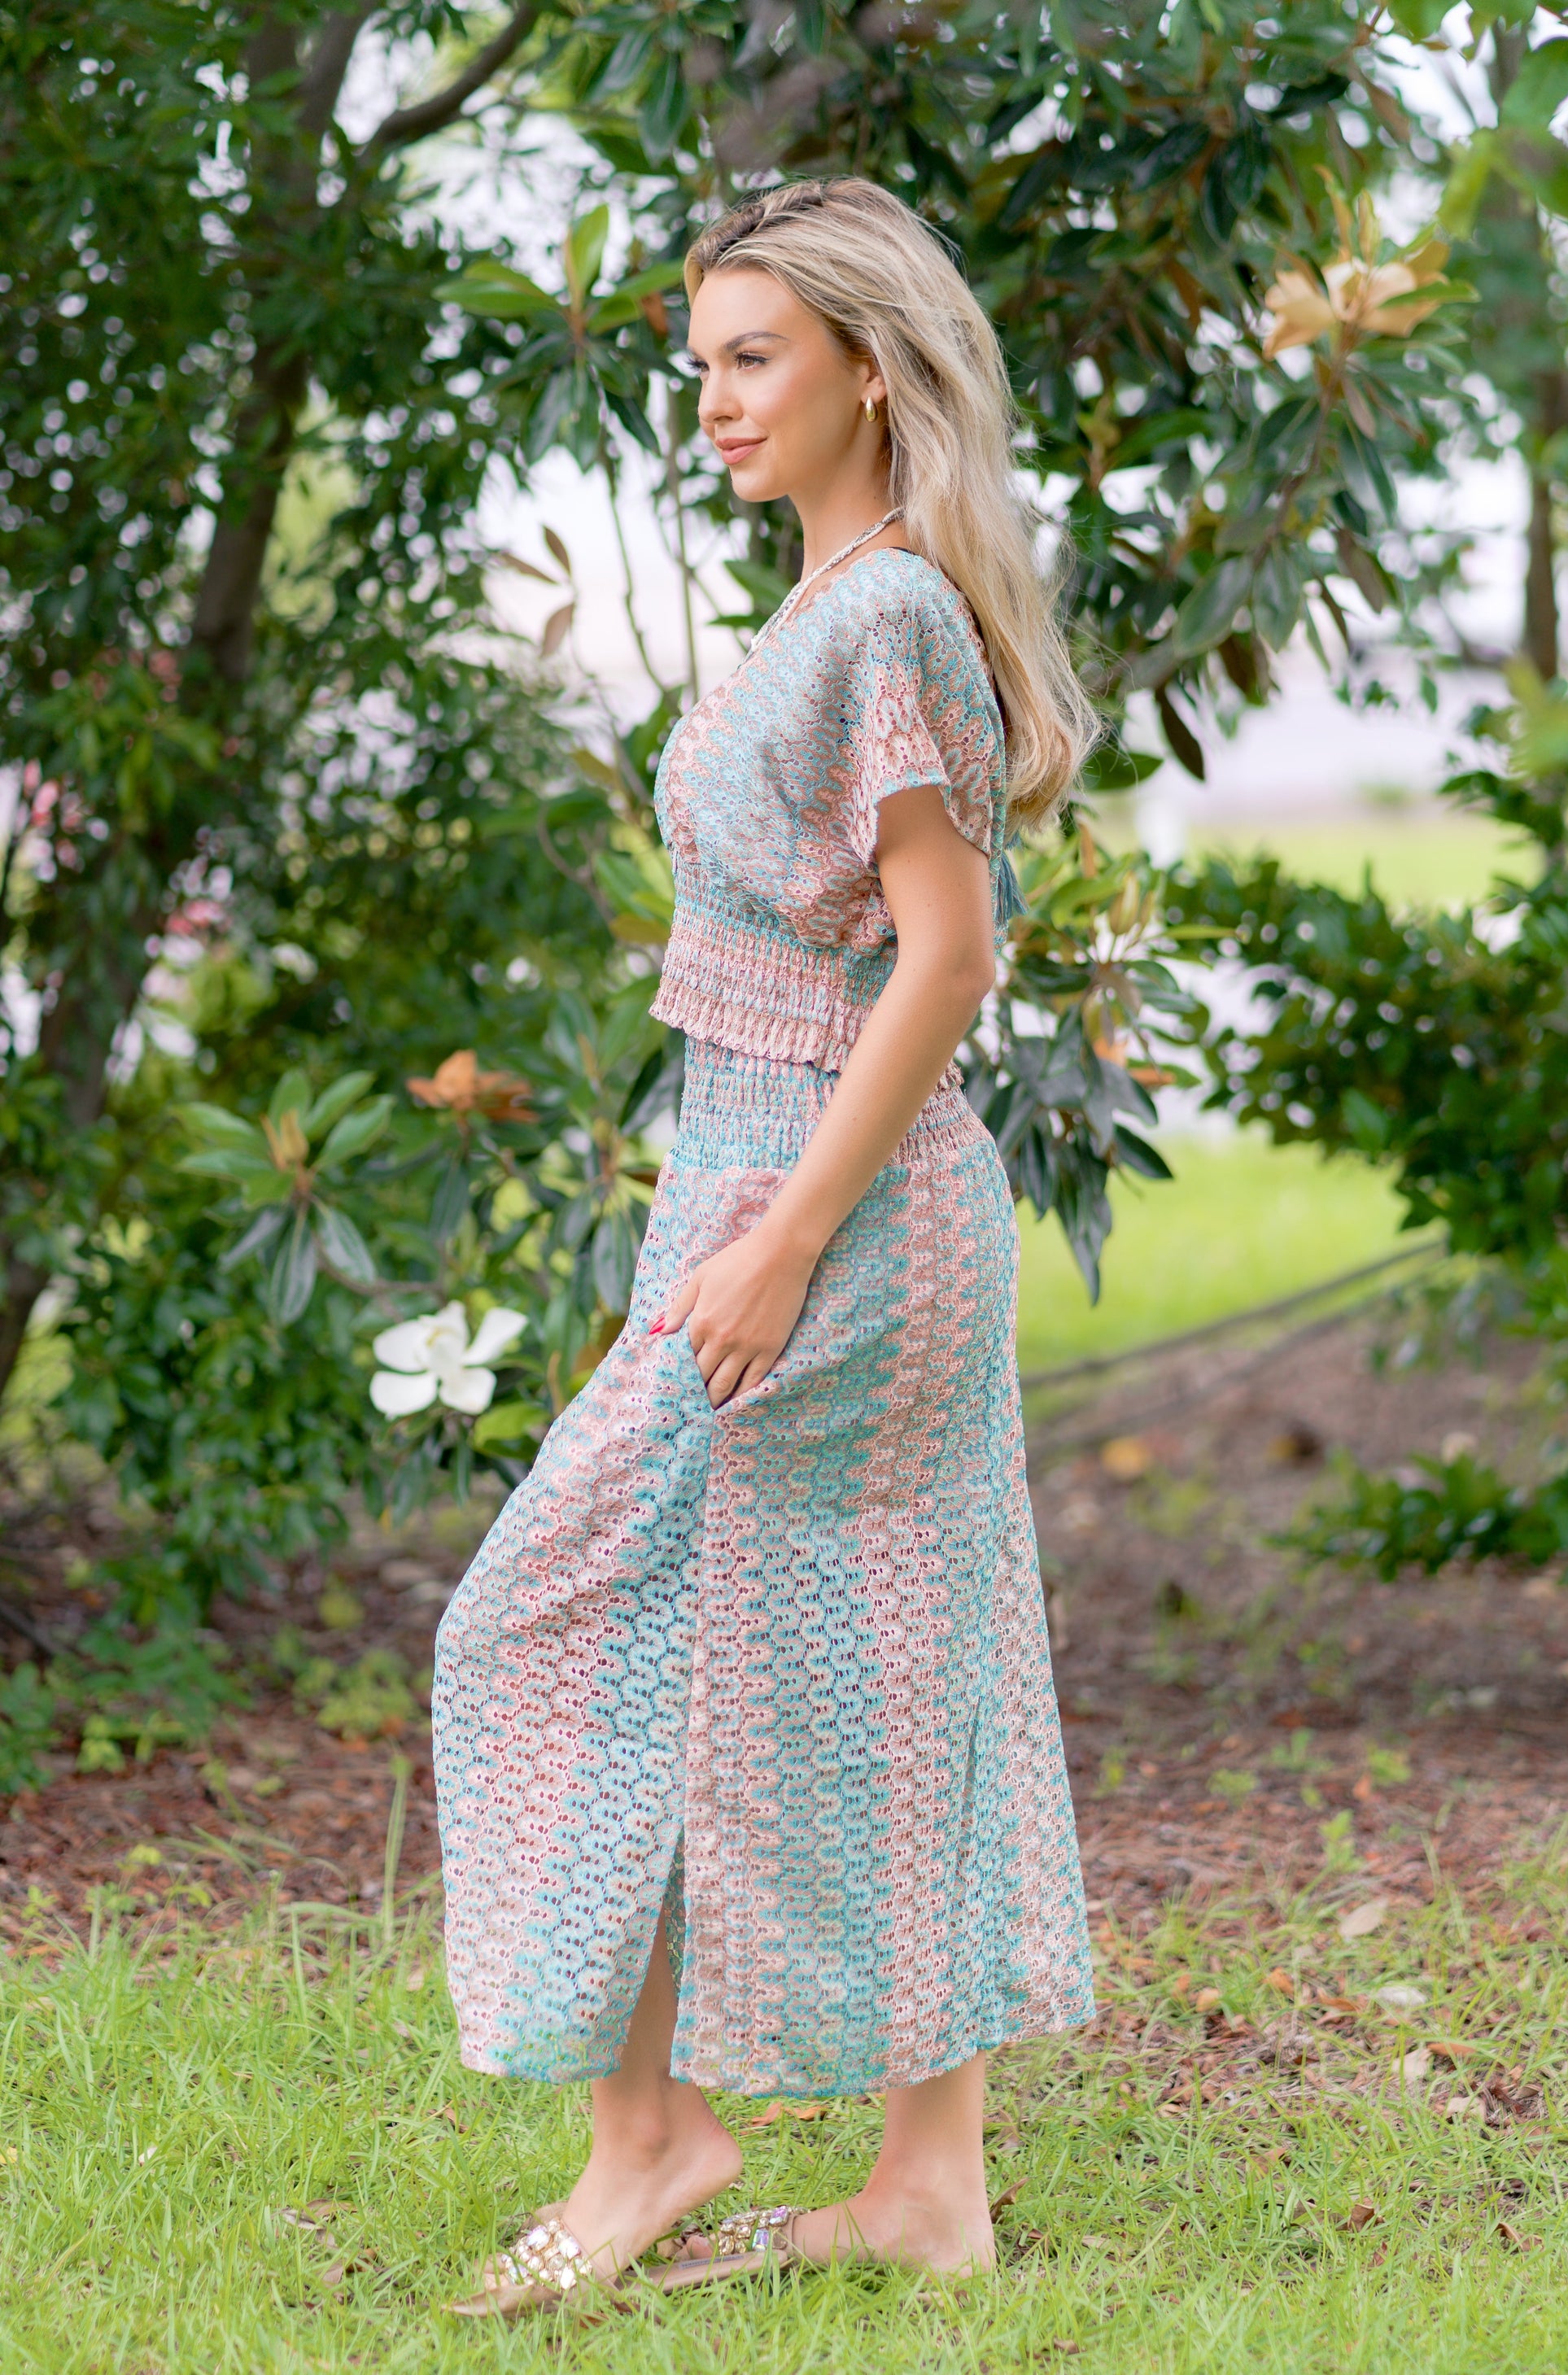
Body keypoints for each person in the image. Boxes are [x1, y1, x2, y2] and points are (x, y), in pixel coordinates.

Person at [432, 175, 1096, 2314]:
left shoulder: (885, 616)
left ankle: (656, 2141)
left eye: (753, 357)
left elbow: (949, 956)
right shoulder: (837, 604)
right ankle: (925, 2190)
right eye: (701, 361)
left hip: (832, 1207)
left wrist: (787, 1238)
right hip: (767, 1185)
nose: (711, 398)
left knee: (562, 1626)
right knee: (893, 1660)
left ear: (870, 373)